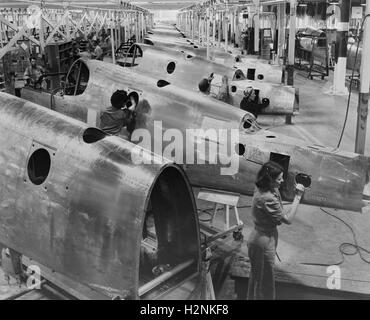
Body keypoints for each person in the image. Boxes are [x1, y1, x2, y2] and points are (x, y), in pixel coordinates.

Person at [247, 161, 305, 300]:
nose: (282, 181)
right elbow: (288, 219)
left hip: (266, 236)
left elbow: (278, 209)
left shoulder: (267, 188)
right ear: (269, 180)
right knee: (264, 283)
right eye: (279, 179)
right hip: (262, 242)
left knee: (259, 277)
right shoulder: (267, 197)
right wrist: (298, 197)